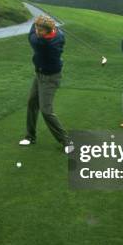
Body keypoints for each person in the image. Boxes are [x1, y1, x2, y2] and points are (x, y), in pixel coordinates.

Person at [19, 15, 74, 153]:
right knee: (32, 102)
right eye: (37, 28)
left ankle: (67, 141)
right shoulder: (59, 34)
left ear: (49, 31)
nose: (37, 31)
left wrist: (35, 22)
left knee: (46, 110)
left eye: (41, 30)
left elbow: (31, 33)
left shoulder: (41, 43)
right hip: (40, 74)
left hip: (50, 78)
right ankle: (30, 136)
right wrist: (43, 23)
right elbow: (44, 29)